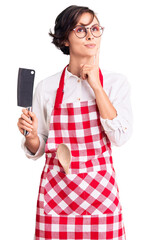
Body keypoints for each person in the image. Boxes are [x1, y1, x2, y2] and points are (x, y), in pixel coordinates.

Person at [17, 5, 132, 240]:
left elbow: (120, 137)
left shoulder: (115, 83)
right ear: (64, 39)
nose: (90, 35)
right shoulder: (46, 88)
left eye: (95, 28)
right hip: (57, 196)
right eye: (80, 30)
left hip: (101, 196)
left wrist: (97, 87)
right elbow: (39, 148)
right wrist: (30, 136)